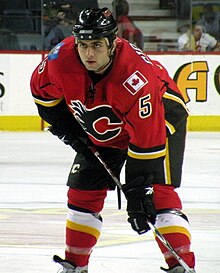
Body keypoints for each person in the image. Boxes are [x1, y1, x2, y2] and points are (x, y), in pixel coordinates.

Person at [30, 7, 196, 273]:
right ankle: (75, 265)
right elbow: (42, 93)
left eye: (97, 45)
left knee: (157, 197)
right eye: (83, 45)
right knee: (82, 193)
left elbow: (147, 141)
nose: (89, 53)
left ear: (112, 43)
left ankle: (181, 266)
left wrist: (139, 191)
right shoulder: (60, 58)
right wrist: (69, 129)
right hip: (104, 130)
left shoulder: (135, 77)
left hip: (160, 119)